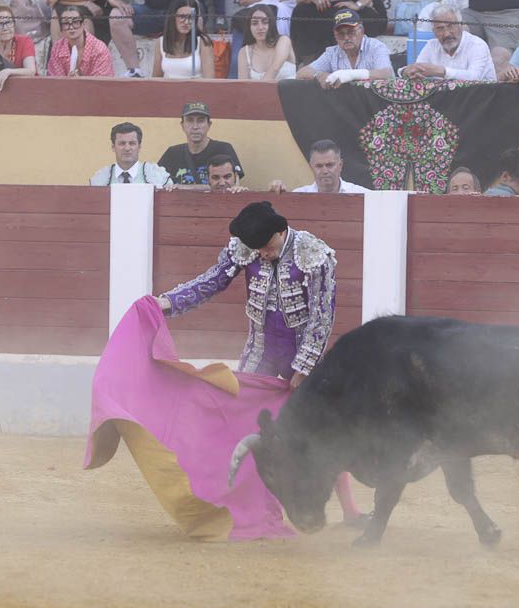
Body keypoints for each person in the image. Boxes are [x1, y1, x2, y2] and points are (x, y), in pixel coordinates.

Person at [155, 201, 364, 523]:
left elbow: (322, 315)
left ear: (282, 231)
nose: (262, 254)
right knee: (240, 425)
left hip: (303, 356)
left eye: (267, 247)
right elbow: (211, 281)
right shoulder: (246, 248)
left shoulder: (313, 254)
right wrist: (167, 303)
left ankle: (350, 511)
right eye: (257, 249)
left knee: (323, 436)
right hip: (260, 351)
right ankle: (248, 506)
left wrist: (304, 366)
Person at [291, 0, 387, 61]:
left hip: (359, 10)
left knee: (339, 16)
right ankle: (308, 61)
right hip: (327, 9)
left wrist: (359, 4)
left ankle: (337, 62)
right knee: (300, 11)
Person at [295, 8, 393, 88]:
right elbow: (301, 73)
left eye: (351, 32)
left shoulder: (376, 46)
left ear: (361, 31)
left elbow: (386, 74)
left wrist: (351, 75)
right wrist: (319, 75)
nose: (346, 38)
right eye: (340, 34)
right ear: (334, 35)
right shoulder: (332, 52)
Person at [159, 102, 246, 187]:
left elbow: (234, 185)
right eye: (190, 120)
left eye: (200, 121)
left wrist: (183, 188)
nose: (195, 126)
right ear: (182, 125)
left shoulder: (224, 149)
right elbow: (156, 183)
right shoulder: (172, 153)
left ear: (209, 124)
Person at [399, 6, 496, 81]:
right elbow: (418, 69)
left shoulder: (476, 44)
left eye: (451, 26)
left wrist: (442, 71)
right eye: (440, 29)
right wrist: (406, 72)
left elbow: (475, 78)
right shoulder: (432, 45)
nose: (446, 34)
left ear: (460, 25)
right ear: (434, 31)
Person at [102, 0, 169, 77]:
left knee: (193, 14)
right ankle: (134, 71)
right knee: (117, 16)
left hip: (182, 10)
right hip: (151, 10)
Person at [269, 139, 370, 193]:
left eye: (330, 165)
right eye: (319, 166)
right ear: (311, 167)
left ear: (340, 165)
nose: (325, 171)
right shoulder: (299, 195)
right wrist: (278, 196)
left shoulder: (363, 195)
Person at [90, 122, 173, 186]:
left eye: (132, 143)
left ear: (139, 147)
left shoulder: (155, 174)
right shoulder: (101, 178)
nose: (127, 148)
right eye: (122, 143)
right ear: (113, 147)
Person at [153, 0, 214, 78]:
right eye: (182, 17)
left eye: (190, 17)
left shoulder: (202, 42)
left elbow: (210, 80)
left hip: (196, 90)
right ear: (172, 17)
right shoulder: (160, 42)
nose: (186, 22)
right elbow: (156, 80)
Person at [48, 4, 115, 76]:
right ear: (61, 27)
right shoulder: (57, 49)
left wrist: (80, 81)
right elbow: (55, 80)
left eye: (76, 22)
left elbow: (102, 82)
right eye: (66, 23)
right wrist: (67, 81)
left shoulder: (99, 49)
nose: (71, 27)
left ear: (83, 24)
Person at [236, 3, 297, 80]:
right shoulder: (244, 52)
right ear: (249, 27)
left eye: (265, 22)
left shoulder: (283, 41)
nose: (260, 27)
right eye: (255, 23)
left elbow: (275, 68)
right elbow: (243, 86)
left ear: (271, 24)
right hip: (257, 92)